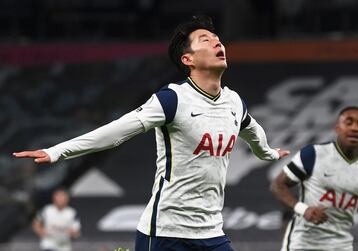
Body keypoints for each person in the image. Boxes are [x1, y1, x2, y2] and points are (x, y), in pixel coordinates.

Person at [14, 15, 289, 251]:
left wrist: (268, 153)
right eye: (205, 39)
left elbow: (252, 130)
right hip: (164, 231)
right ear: (188, 59)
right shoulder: (172, 99)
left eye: (218, 38)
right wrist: (57, 151)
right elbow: (117, 132)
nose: (217, 42)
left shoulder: (234, 102)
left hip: (211, 232)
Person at [270, 106, 358, 251]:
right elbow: (278, 185)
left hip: (341, 246)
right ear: (337, 128)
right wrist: (304, 209)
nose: (355, 128)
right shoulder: (313, 154)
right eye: (349, 122)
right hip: (303, 244)